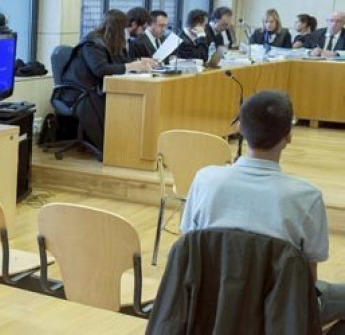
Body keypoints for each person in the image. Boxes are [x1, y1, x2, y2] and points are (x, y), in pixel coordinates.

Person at [181, 90, 345, 325]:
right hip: (278, 315)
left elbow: (188, 250)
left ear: (239, 129)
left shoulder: (204, 180)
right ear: (288, 135)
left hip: (210, 308)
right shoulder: (307, 197)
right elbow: (307, 281)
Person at [61, 10, 158, 153]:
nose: (127, 33)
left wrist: (138, 61)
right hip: (81, 92)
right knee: (121, 105)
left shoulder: (106, 41)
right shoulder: (92, 42)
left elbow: (118, 62)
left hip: (96, 88)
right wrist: (130, 66)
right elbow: (100, 69)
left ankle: (132, 147)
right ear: (118, 29)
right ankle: (115, 149)